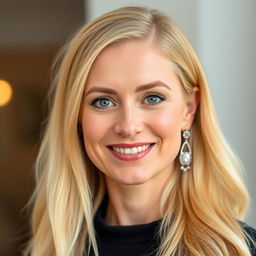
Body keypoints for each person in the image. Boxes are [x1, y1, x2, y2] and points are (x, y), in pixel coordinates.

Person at [24, 6, 256, 256]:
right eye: (103, 101)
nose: (128, 126)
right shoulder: (53, 249)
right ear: (77, 116)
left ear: (189, 109)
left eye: (153, 98)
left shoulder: (239, 250)